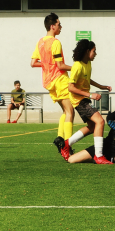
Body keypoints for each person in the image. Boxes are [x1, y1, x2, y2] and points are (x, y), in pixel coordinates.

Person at [61, 39, 112, 164]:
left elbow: (87, 79)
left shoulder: (88, 63)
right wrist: (90, 94)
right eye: (94, 51)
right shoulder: (77, 66)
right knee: (100, 121)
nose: (95, 54)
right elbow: (70, 87)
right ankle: (99, 156)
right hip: (79, 101)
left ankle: (66, 144)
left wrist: (101, 87)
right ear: (87, 51)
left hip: (84, 99)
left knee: (92, 126)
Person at [31, 13, 74, 148]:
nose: (61, 26)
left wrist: (46, 64)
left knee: (65, 112)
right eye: (59, 24)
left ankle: (60, 138)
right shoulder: (55, 42)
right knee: (70, 112)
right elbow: (60, 66)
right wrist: (76, 68)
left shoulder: (41, 42)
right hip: (59, 79)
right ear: (52, 26)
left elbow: (33, 63)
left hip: (49, 82)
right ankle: (67, 145)